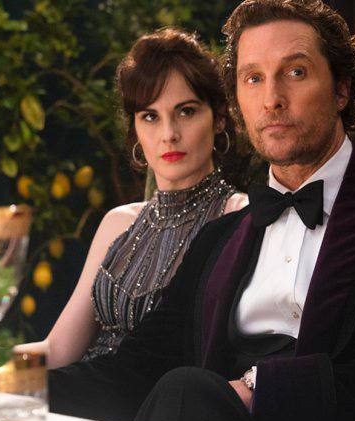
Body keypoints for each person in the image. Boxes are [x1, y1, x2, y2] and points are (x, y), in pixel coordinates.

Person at [49, 1, 355, 421]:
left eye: (295, 72)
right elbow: (136, 368)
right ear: (237, 103)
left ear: (342, 89)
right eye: (253, 78)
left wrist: (257, 390)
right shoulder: (218, 238)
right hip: (200, 417)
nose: (272, 99)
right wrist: (20, 391)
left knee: (186, 392)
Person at [15, 28, 248, 368]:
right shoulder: (118, 223)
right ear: (135, 129)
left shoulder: (239, 215)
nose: (168, 134)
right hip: (83, 385)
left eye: (186, 111)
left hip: (162, 395)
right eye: (150, 116)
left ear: (219, 119)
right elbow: (59, 350)